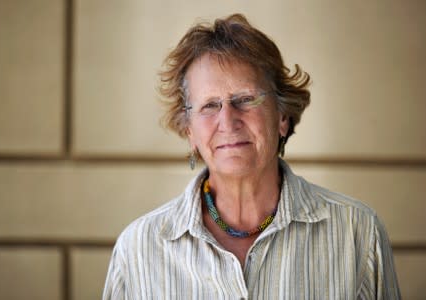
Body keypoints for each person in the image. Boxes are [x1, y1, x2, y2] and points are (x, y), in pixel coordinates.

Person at [103, 14, 400, 299]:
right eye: (209, 106)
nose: (228, 121)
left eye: (246, 99)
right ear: (190, 131)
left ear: (282, 116)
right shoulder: (139, 248)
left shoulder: (358, 233)